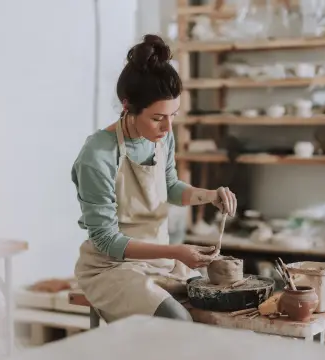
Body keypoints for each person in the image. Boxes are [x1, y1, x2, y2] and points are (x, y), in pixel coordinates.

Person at [71, 34, 237, 323]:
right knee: (178, 320)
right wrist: (177, 251)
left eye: (173, 115)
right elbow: (106, 239)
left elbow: (170, 187)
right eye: (158, 117)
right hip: (112, 268)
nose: (168, 127)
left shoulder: (162, 137)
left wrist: (209, 195)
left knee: (218, 312)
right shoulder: (97, 154)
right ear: (128, 106)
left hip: (161, 261)